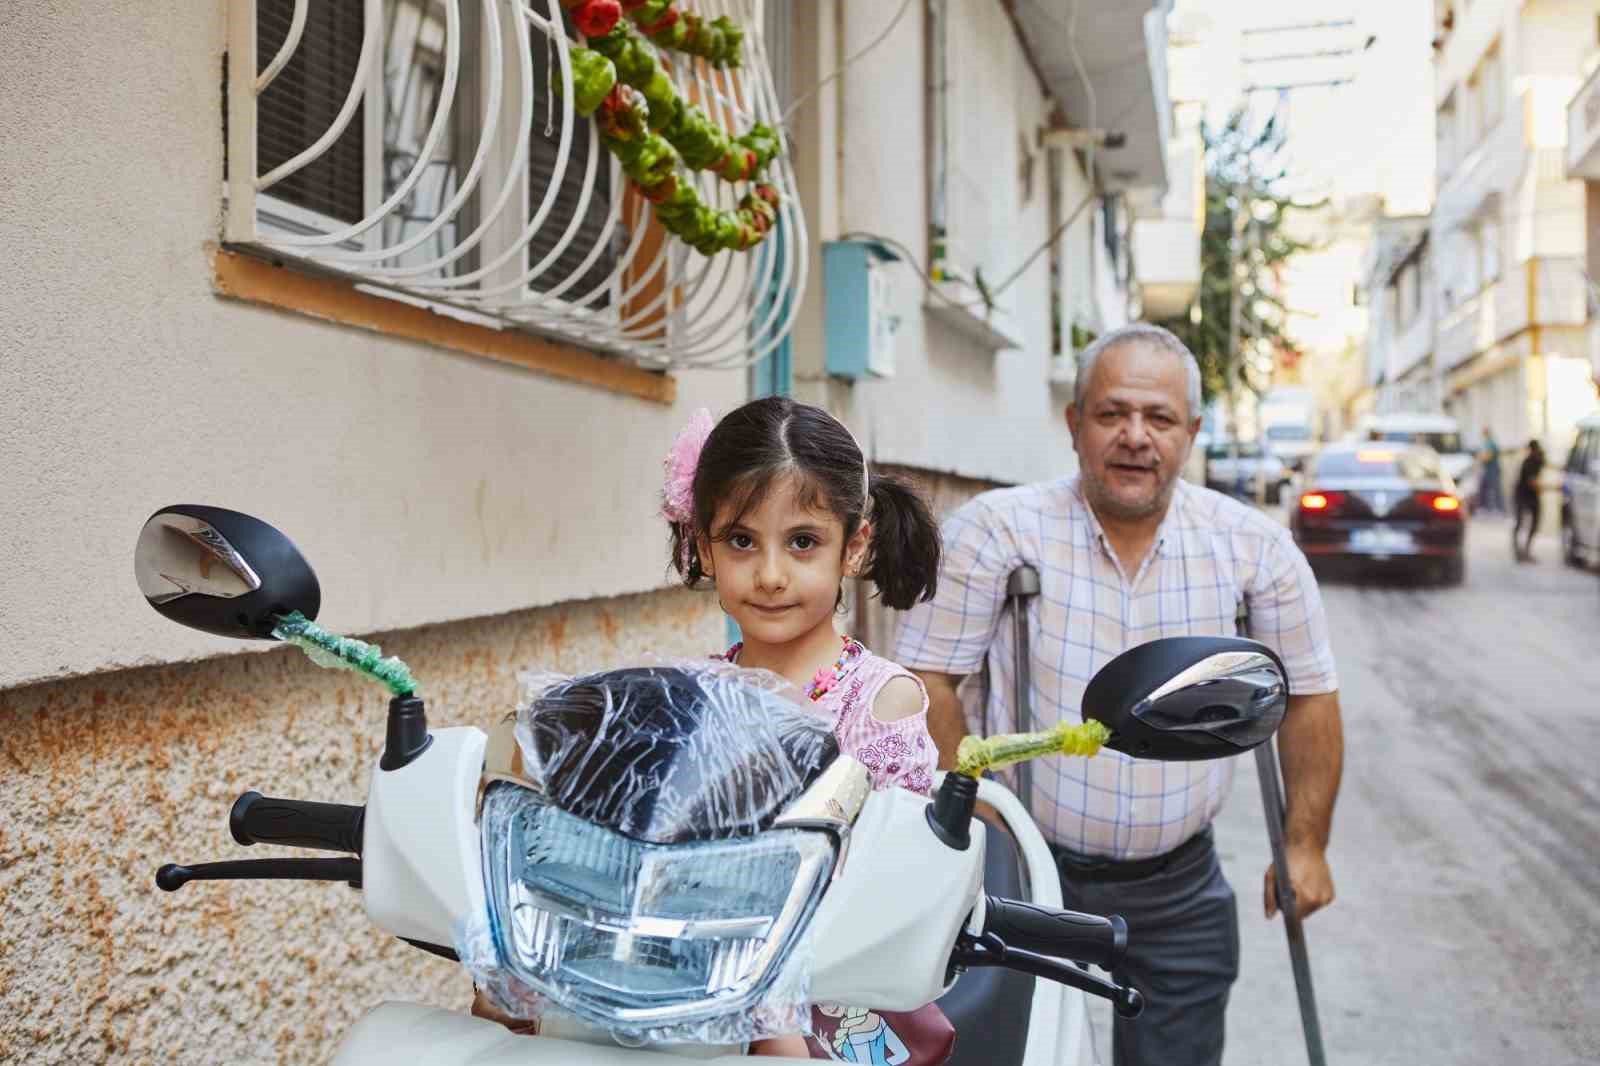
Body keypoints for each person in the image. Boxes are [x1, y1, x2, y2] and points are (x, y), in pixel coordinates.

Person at [894, 323, 1344, 1066]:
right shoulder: (997, 532)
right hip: (1030, 871)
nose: (1136, 437)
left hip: (1181, 883)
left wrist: (1306, 845)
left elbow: (1310, 697)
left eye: (1160, 418)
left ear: (1191, 432)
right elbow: (929, 682)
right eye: (1112, 414)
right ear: (1075, 424)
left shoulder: (1253, 549)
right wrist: (981, 827)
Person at [662, 396, 952, 1062]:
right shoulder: (693, 694)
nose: (769, 575)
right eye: (741, 540)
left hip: (835, 1012)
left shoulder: (881, 704)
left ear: (853, 548)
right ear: (704, 546)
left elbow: (891, 892)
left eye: (802, 542)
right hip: (692, 1001)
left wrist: (775, 1010)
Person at [1513, 438, 1545, 561]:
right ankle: (1518, 551)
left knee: (1534, 522)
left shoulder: (1538, 460)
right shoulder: (1528, 463)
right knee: (1520, 522)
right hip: (1522, 494)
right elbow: (1532, 482)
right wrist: (1549, 488)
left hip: (1532, 495)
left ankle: (1526, 550)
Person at [1477, 427, 1505, 514]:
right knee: (1484, 488)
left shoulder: (1491, 443)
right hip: (1487, 470)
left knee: (1495, 489)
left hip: (1493, 470)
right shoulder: (1486, 443)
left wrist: (1481, 458)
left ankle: (1499, 509)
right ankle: (1485, 508)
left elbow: (1488, 456)